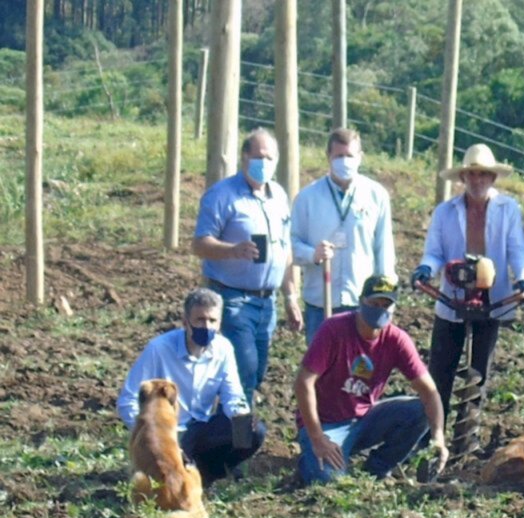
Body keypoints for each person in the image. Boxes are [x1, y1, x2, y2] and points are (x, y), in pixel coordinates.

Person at [410, 144, 524, 428]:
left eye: (483, 175)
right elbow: (435, 251)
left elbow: (517, 249)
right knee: (441, 369)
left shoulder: (508, 209)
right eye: (472, 175)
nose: (477, 180)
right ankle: (433, 431)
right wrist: (426, 269)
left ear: (492, 178)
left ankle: (467, 431)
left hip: (491, 300)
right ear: (463, 178)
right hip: (452, 298)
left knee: (479, 371)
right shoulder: (445, 212)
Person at [294, 275, 450, 484]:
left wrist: (438, 437)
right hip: (326, 424)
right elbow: (304, 382)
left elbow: (429, 392)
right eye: (374, 303)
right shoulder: (334, 329)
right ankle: (310, 462)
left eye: (386, 305)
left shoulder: (396, 339)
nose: (379, 310)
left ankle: (375, 470)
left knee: (419, 411)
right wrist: (317, 438)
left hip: (364, 418)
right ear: (361, 301)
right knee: (329, 481)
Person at [193, 128, 302, 406]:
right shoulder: (222, 195)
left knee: (257, 372)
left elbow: (284, 248)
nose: (264, 163)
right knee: (245, 370)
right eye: (258, 157)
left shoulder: (278, 196)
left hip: (268, 302)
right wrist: (233, 250)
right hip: (232, 298)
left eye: (269, 157)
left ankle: (226, 424)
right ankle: (238, 439)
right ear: (244, 157)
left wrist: (291, 296)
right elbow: (200, 244)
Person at [117, 288, 265, 486]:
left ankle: (212, 473)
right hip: (170, 433)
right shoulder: (159, 349)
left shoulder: (223, 349)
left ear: (220, 323)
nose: (206, 326)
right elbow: (128, 401)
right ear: (185, 321)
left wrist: (241, 417)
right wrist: (150, 435)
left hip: (200, 429)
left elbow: (233, 394)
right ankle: (184, 471)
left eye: (212, 321)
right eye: (200, 320)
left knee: (253, 432)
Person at [291, 128, 396, 345]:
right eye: (339, 156)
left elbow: (383, 248)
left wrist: (386, 297)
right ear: (328, 157)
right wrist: (313, 254)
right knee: (321, 370)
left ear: (360, 157)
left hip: (363, 301)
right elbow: (290, 245)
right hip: (321, 302)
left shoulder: (376, 195)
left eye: (350, 156)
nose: (344, 161)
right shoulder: (307, 197)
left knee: (361, 369)